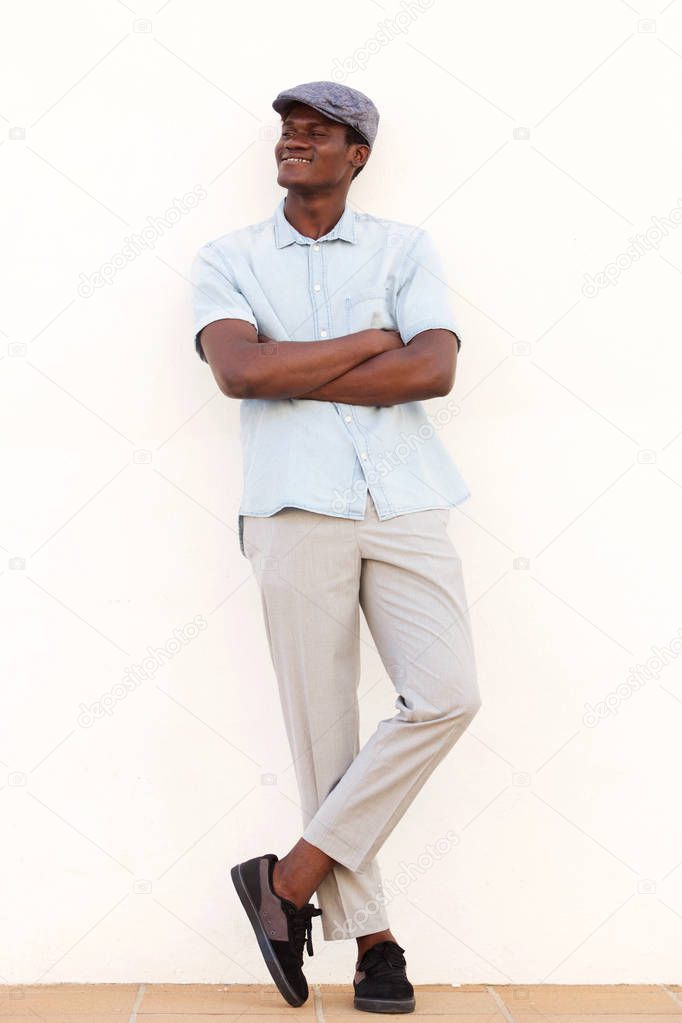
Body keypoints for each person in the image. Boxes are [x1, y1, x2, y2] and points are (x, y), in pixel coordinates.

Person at [190, 80, 481, 1015]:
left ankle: (292, 878)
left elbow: (431, 368)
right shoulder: (228, 258)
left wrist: (297, 365)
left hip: (403, 502)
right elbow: (241, 370)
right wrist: (366, 345)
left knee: (446, 696)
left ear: (359, 154)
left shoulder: (405, 248)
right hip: (293, 510)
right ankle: (377, 945)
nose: (296, 140)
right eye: (287, 130)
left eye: (320, 132)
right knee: (327, 733)